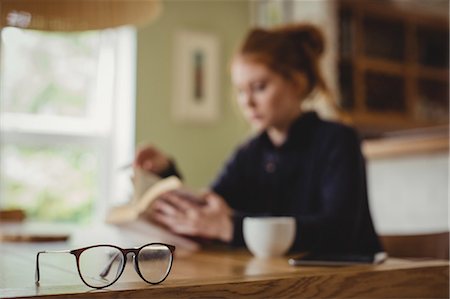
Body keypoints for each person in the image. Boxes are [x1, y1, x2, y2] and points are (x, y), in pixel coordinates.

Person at [134, 23, 382, 254]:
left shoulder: (338, 141)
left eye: (259, 87)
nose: (247, 102)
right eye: (241, 91)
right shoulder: (250, 153)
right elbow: (208, 208)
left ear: (296, 83)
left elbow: (338, 230)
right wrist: (165, 173)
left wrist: (232, 227)